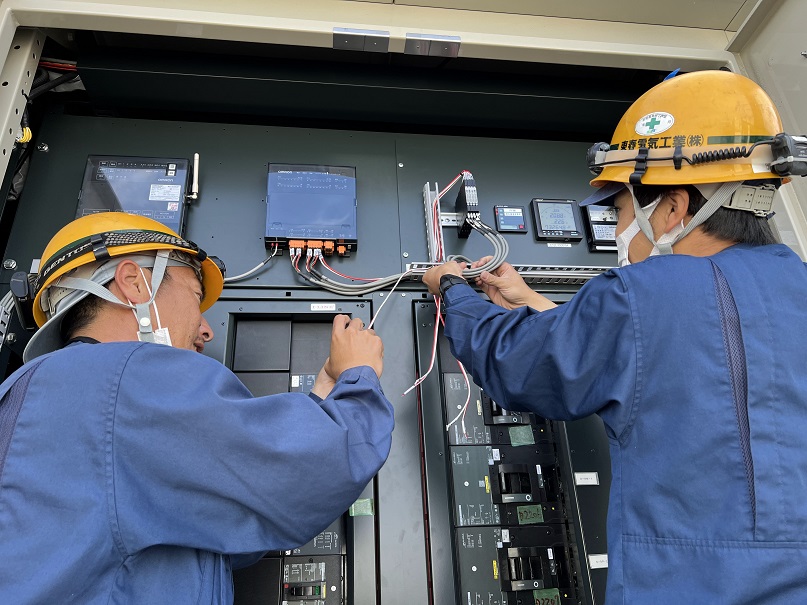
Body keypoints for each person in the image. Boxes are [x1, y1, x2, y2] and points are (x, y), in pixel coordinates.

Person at [423, 70, 807, 604]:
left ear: (672, 208)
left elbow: (518, 362)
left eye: (621, 211)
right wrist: (535, 303)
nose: (619, 230)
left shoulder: (640, 292)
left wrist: (451, 290)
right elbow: (672, 352)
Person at [0, 212, 394, 604]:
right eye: (194, 295)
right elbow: (302, 474)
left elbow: (229, 529)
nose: (206, 330)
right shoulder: (130, 379)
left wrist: (322, 395)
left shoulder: (35, 392)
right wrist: (358, 376)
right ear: (135, 283)